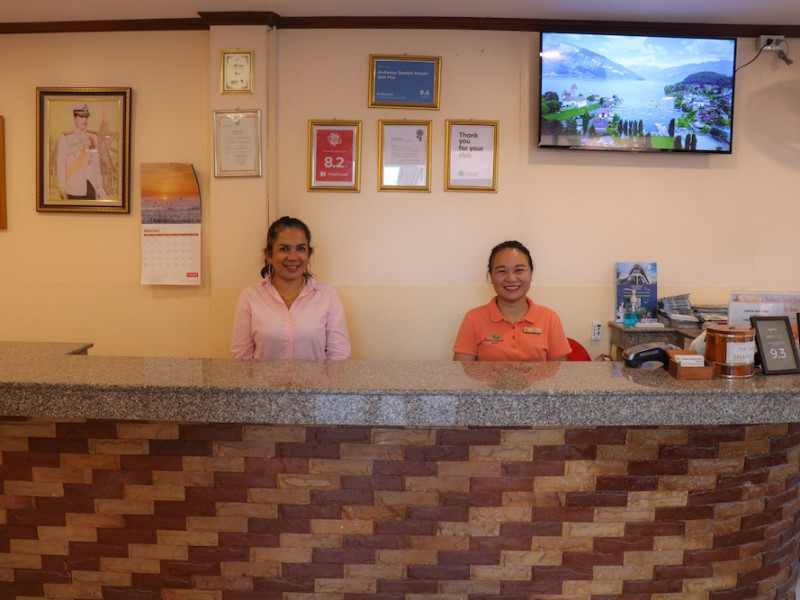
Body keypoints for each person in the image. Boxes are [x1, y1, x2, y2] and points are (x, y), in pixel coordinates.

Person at [230, 216, 351, 360]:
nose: (293, 257)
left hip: (315, 377)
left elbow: (339, 357)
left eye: (300, 248)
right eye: (284, 249)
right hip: (264, 377)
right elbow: (241, 358)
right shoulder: (250, 297)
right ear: (268, 255)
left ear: (309, 254)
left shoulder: (327, 296)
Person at [453, 240, 570, 361]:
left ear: (531, 274)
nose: (511, 278)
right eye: (502, 271)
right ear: (491, 276)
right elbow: (461, 370)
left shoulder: (550, 318)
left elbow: (559, 370)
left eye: (519, 270)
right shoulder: (473, 319)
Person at [56, 103, 107, 200]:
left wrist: (99, 185)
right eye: (81, 117)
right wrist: (62, 185)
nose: (85, 120)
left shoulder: (92, 137)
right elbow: (61, 163)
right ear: (75, 118)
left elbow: (95, 164)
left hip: (90, 184)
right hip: (73, 186)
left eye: (86, 117)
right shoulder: (66, 137)